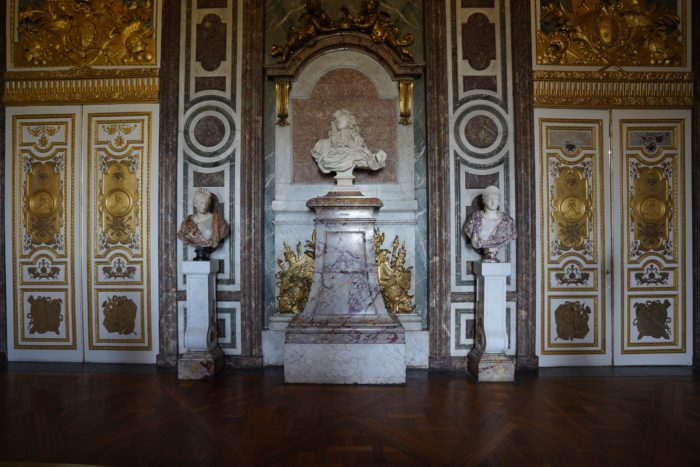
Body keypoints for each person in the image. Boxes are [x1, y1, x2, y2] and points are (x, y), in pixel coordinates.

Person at [311, 109, 386, 178]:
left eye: (342, 118)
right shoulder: (323, 144)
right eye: (337, 119)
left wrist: (377, 158)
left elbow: (367, 157)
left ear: (349, 121)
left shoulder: (357, 140)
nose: (339, 120)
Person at [462, 185, 516, 262]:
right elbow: (468, 231)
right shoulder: (475, 218)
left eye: (496, 199)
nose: (493, 202)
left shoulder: (508, 221)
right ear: (484, 201)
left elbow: (512, 235)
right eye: (490, 199)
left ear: (499, 201)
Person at [178, 188, 230, 260]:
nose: (204, 206)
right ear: (195, 203)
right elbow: (182, 235)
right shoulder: (187, 222)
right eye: (201, 203)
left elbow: (223, 231)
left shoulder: (218, 221)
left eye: (206, 203)